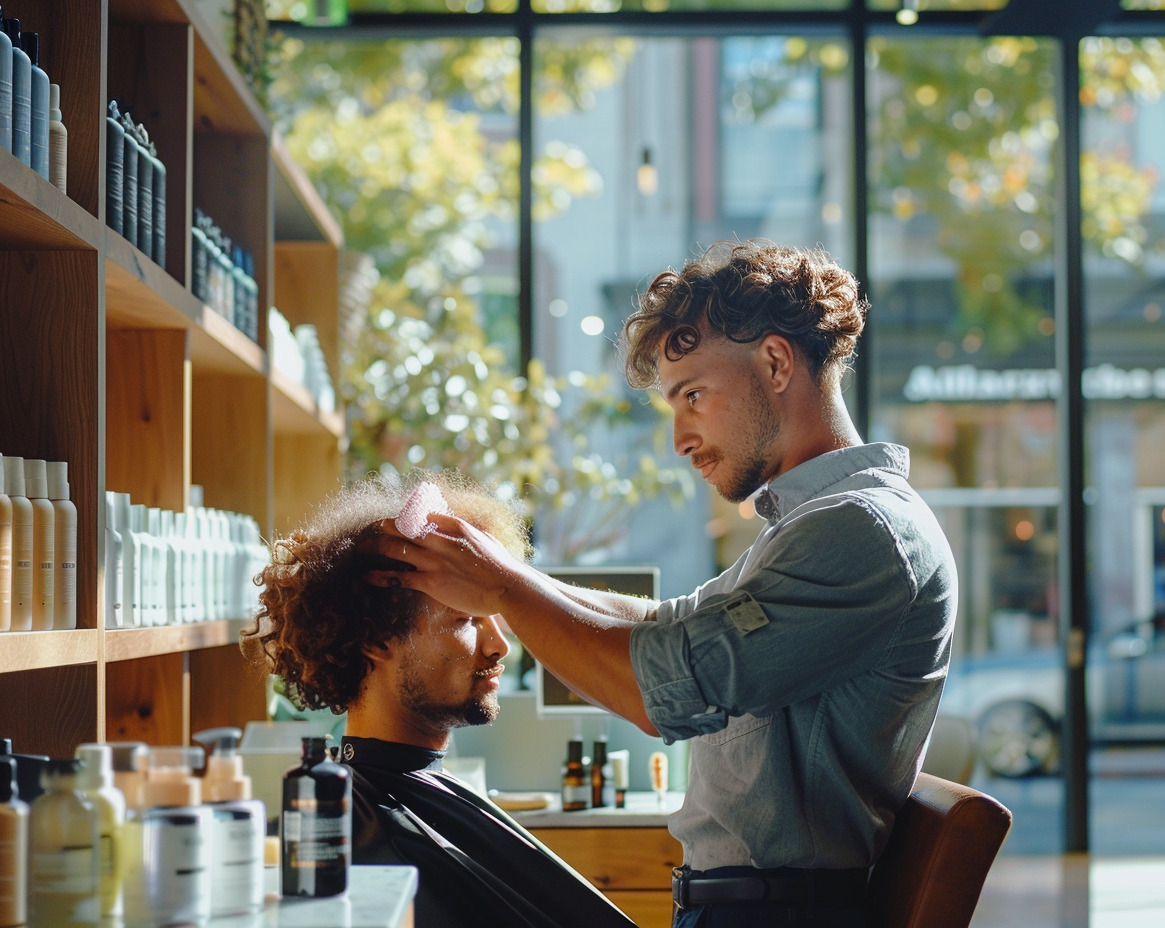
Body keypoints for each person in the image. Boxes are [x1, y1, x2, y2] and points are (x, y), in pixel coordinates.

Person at [370, 239, 959, 928]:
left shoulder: (861, 530)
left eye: (694, 396)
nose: (679, 438)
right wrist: (506, 578)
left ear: (775, 362)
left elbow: (665, 692)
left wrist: (502, 589)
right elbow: (668, 626)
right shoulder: (810, 527)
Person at [243, 471, 637, 928]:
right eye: (466, 620)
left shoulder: (416, 793)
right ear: (377, 638)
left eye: (496, 618)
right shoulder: (376, 836)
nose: (499, 646)